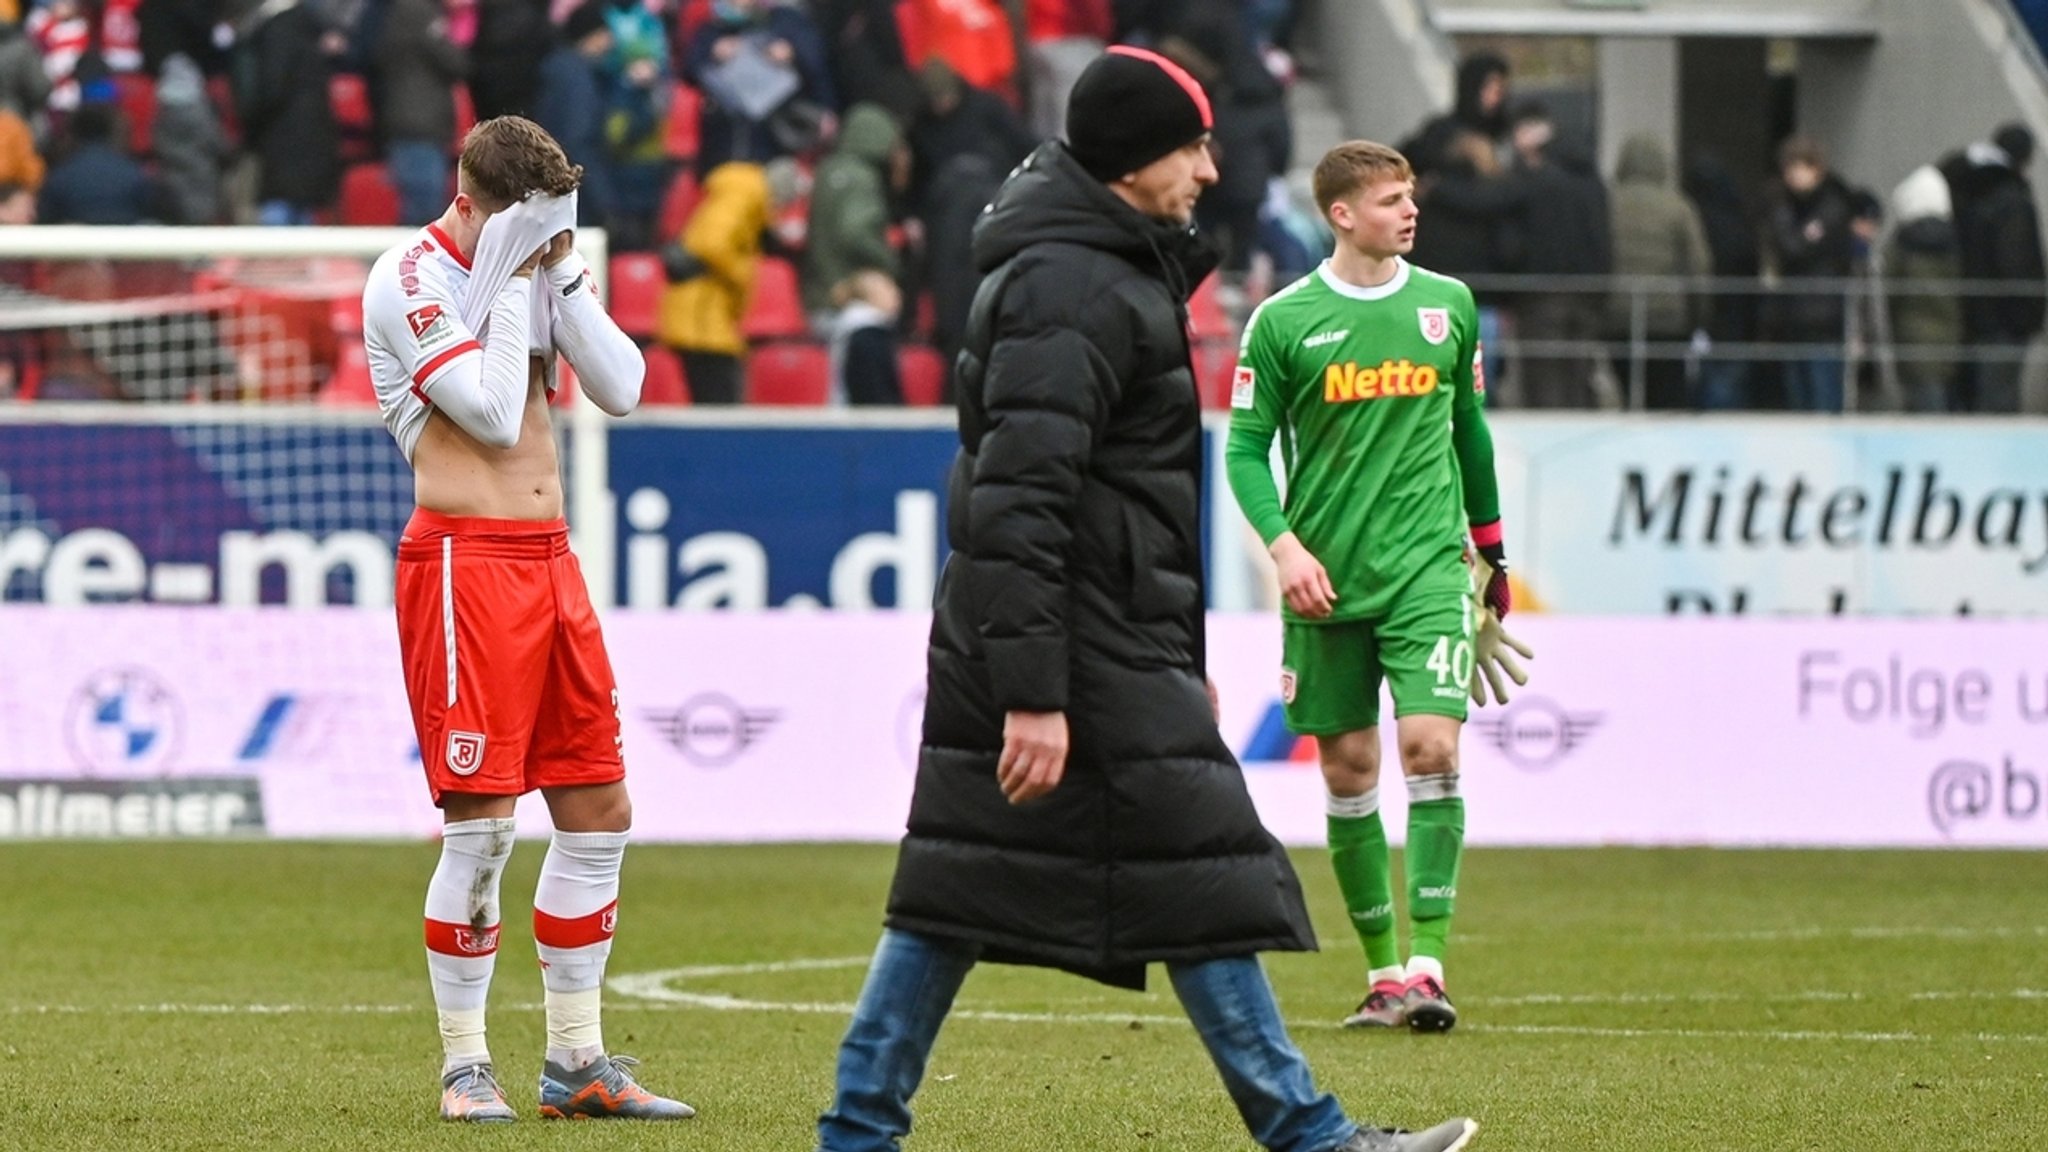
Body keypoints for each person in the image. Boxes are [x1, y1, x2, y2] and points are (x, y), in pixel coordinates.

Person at [813, 49, 1478, 1152]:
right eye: (1192, 146)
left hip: (1095, 640)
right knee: (1176, 869)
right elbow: (1018, 501)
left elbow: (1107, 501)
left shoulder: (1100, 270)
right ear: (1131, 162)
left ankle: (858, 1130)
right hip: (1062, 645)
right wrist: (1033, 690)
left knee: (978, 887)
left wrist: (1173, 650)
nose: (1212, 170)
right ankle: (1311, 1137)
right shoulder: (1070, 284)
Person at [358, 115, 692, 1125]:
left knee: (598, 811)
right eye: (529, 227)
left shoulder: (538, 264)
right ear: (472, 203)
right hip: (465, 564)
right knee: (484, 827)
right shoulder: (409, 279)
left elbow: (625, 390)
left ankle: (577, 1063)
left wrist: (569, 278)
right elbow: (495, 418)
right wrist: (508, 278)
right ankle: (465, 1067)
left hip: (550, 565)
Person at [1225, 139, 1521, 1035]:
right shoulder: (1283, 321)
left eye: (1410, 197)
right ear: (1342, 215)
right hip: (1324, 581)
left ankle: (1429, 967)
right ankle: (1384, 974)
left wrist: (1492, 555)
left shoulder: (1448, 306)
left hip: (1428, 567)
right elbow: (1242, 451)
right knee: (1349, 768)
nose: (1410, 211)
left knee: (1431, 746)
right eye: (1391, 200)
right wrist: (1284, 551)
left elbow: (1469, 430)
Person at [1938, 124, 2047, 413]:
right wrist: (2031, 312)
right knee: (1999, 400)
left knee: (1973, 398)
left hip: (1967, 312)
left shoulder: (1965, 187)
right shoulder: (2011, 199)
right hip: (2006, 319)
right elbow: (2017, 261)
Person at [1763, 136, 1857, 413]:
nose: (1792, 175)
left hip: (1822, 320)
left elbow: (1795, 247)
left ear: (1816, 169)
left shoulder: (1831, 207)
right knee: (1798, 406)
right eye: (1788, 169)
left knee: (1822, 401)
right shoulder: (1791, 207)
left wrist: (1784, 224)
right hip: (1794, 318)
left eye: (1798, 167)